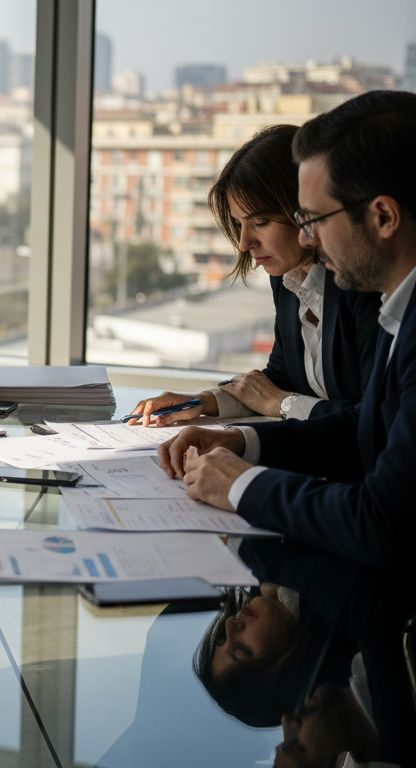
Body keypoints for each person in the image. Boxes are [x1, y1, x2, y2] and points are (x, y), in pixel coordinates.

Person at [159, 90, 416, 568]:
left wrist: (241, 482)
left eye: (314, 219)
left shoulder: (386, 305)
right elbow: (366, 431)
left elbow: (382, 521)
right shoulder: (397, 306)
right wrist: (244, 441)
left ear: (383, 216)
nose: (306, 237)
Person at [128, 124, 379, 426]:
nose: (245, 243)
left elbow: (372, 419)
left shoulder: (363, 285)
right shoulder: (287, 276)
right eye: (239, 224)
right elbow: (280, 377)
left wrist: (282, 404)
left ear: (305, 211)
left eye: (260, 222)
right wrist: (202, 402)